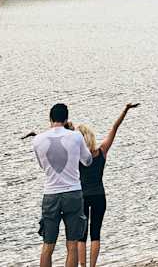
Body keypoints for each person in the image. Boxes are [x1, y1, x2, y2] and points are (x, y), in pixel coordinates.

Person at [74, 102, 139, 267]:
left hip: (82, 197)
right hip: (99, 196)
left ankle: (82, 266)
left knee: (81, 235)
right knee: (95, 234)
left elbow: (58, 142)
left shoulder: (76, 156)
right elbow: (114, 128)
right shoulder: (101, 151)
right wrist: (125, 110)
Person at [32, 103, 92, 267]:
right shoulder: (77, 136)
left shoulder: (38, 140)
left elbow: (42, 166)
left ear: (50, 118)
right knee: (72, 245)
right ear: (66, 119)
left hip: (50, 194)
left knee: (47, 245)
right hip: (73, 193)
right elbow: (87, 161)